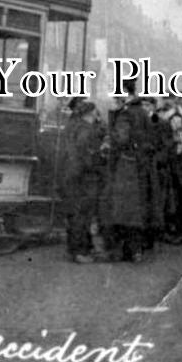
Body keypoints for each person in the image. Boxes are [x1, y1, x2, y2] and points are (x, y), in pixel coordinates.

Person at [100, 86, 153, 262]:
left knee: (120, 208)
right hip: (140, 165)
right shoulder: (143, 112)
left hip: (125, 165)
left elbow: (121, 138)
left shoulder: (125, 114)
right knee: (136, 209)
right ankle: (136, 250)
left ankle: (118, 251)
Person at [62, 101, 105, 263]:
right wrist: (97, 161)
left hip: (70, 174)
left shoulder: (72, 125)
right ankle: (80, 252)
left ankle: (76, 249)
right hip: (85, 177)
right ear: (92, 113)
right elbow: (85, 153)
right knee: (83, 214)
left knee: (75, 213)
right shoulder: (87, 130)